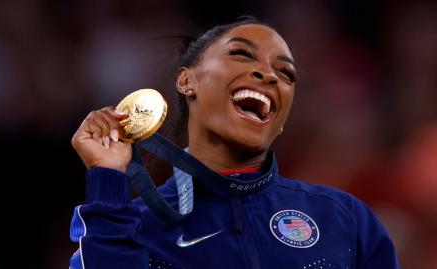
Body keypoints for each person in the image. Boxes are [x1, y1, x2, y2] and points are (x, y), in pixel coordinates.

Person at [69, 17, 400, 269]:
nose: (269, 76)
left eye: (286, 75)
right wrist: (107, 178)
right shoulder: (131, 226)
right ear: (187, 80)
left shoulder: (344, 218)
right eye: (242, 54)